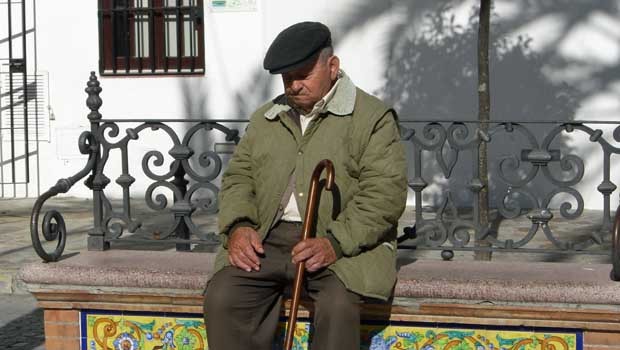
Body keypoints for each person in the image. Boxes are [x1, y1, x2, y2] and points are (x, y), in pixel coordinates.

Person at [204, 21, 407, 349]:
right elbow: (238, 178)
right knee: (224, 296)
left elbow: (385, 193)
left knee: (338, 306)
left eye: (303, 75)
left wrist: (334, 242)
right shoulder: (266, 118)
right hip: (269, 238)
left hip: (343, 243)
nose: (294, 86)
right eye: (287, 78)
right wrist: (239, 225)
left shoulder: (372, 117)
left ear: (332, 66)